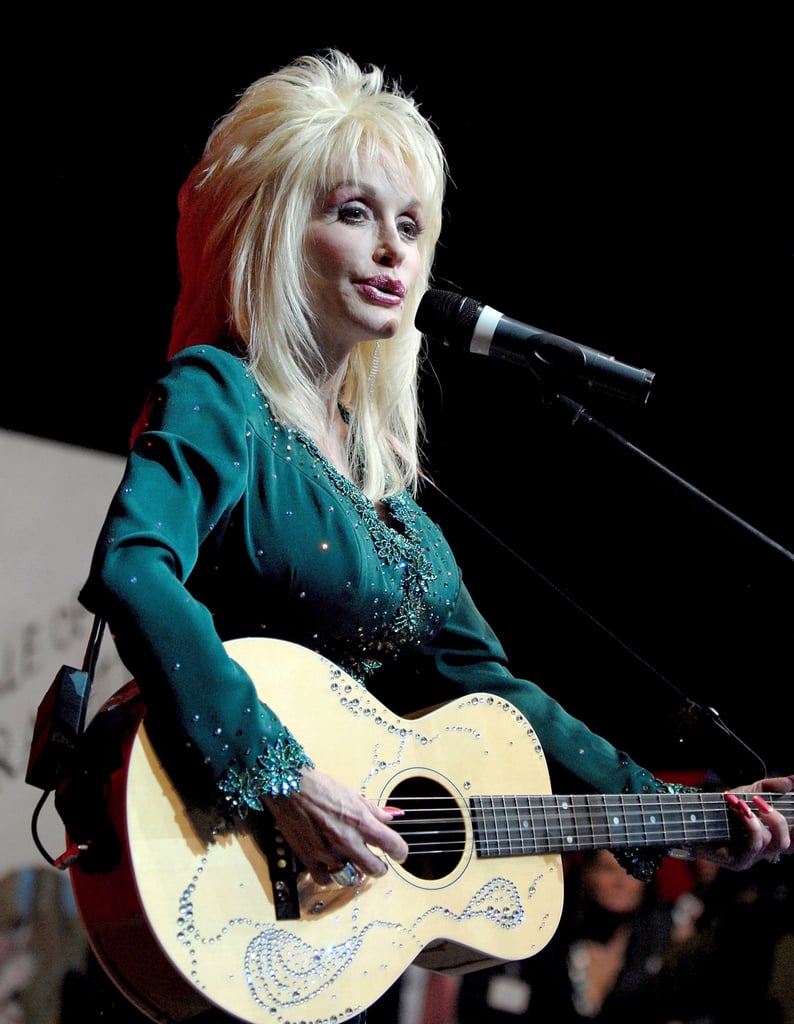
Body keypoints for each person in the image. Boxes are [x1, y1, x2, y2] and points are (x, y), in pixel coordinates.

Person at [72, 50, 792, 1023]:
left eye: (409, 226)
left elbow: (501, 698)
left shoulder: (391, 502)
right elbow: (133, 568)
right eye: (352, 212)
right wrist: (281, 772)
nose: (391, 252)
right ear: (278, 231)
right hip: (223, 864)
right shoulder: (220, 396)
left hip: (335, 919)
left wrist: (692, 816)